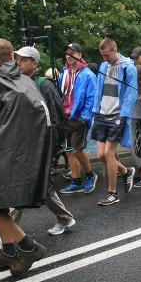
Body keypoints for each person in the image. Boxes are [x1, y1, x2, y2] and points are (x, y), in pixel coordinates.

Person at [0, 38, 50, 276]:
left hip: (4, 149)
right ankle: (8, 251)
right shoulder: (26, 80)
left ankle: (28, 247)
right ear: (13, 58)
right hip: (29, 151)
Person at [15, 46, 77, 235]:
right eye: (17, 59)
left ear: (34, 64)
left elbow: (57, 118)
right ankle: (65, 218)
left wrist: (53, 148)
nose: (18, 63)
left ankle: (8, 233)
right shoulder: (18, 83)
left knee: (25, 184)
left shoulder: (45, 85)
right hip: (27, 145)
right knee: (42, 185)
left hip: (43, 146)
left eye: (23, 60)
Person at [92, 38, 138, 205]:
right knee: (100, 155)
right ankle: (126, 171)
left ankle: (112, 193)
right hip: (102, 114)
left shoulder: (128, 68)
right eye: (102, 56)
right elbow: (99, 89)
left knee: (109, 153)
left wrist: (123, 116)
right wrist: (95, 111)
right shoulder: (104, 66)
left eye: (107, 55)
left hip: (117, 116)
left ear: (115, 50)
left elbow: (131, 94)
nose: (105, 59)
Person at [58, 42, 98, 195]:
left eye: (72, 53)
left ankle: (90, 175)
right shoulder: (64, 74)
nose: (68, 56)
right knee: (69, 150)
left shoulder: (87, 74)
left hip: (79, 117)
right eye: (67, 53)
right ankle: (76, 181)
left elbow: (92, 97)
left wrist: (85, 117)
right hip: (66, 116)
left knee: (77, 149)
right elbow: (62, 94)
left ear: (80, 55)